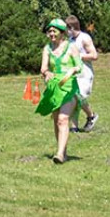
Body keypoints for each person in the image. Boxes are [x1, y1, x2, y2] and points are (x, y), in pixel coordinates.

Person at [35, 19, 82, 164]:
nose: (51, 34)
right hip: (54, 88)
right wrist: (47, 73)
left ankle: (60, 154)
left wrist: (73, 70)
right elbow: (43, 68)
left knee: (63, 119)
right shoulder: (47, 49)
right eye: (49, 31)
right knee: (57, 121)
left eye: (54, 31)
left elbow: (79, 66)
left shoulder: (71, 47)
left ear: (62, 33)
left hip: (69, 87)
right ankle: (63, 151)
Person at [65, 15, 98, 132]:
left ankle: (91, 115)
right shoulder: (69, 40)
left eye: (67, 29)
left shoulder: (85, 38)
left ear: (72, 28)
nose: (66, 32)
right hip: (74, 72)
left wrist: (79, 56)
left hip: (85, 72)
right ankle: (74, 127)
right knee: (73, 97)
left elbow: (94, 55)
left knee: (80, 97)